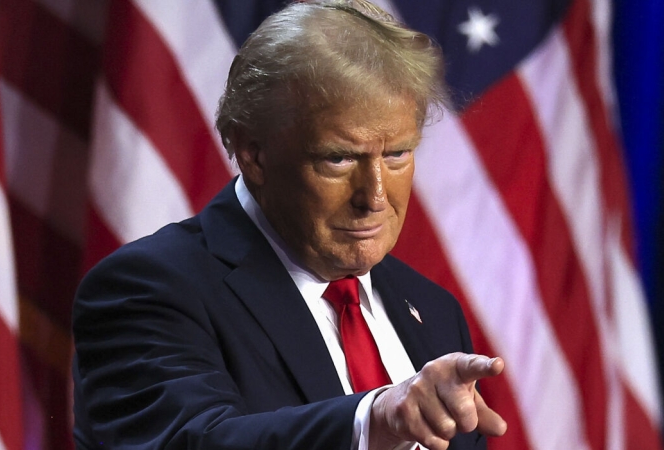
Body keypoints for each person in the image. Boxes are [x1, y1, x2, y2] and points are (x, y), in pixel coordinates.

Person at [72, 1, 507, 449]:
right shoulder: (147, 289)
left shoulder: (433, 311)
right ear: (253, 154)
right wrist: (373, 419)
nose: (375, 197)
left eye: (396, 154)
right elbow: (197, 442)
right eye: (338, 158)